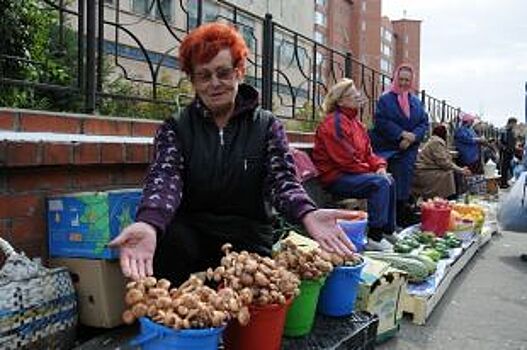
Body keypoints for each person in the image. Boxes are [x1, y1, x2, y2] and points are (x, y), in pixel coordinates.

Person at [108, 23, 358, 285]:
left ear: (239, 72)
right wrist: (149, 222)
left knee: (252, 299)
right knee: (170, 240)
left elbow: (282, 181)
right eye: (203, 76)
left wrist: (307, 212)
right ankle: (169, 318)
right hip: (193, 231)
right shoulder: (177, 128)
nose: (215, 84)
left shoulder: (267, 126)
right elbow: (165, 178)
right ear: (193, 81)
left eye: (223, 73)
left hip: (247, 234)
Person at [312, 78, 397, 251]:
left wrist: (380, 167)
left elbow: (369, 154)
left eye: (357, 92)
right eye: (353, 94)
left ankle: (387, 230)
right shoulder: (333, 123)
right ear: (341, 100)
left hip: (351, 173)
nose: (358, 96)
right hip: (335, 177)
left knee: (388, 179)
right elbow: (345, 160)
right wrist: (373, 172)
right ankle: (375, 236)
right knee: (380, 183)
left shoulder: (357, 124)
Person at [369, 63, 429, 227]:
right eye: (400, 79)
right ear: (395, 79)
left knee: (407, 173)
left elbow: (424, 124)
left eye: (407, 80)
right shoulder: (385, 99)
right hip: (387, 147)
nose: (403, 83)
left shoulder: (416, 102)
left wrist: (411, 138)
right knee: (397, 171)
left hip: (408, 148)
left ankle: (402, 212)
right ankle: (394, 216)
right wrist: (401, 134)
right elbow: (381, 122)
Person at [412, 124, 471, 200]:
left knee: (452, 172)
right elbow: (444, 163)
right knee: (449, 174)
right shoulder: (436, 143)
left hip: (427, 169)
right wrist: (460, 170)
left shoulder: (434, 141)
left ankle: (450, 198)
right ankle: (449, 198)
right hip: (424, 171)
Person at [498, 117, 517, 188]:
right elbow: (499, 142)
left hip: (510, 152)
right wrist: (504, 148)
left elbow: (513, 142)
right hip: (504, 153)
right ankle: (502, 183)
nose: (515, 125)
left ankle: (505, 182)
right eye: (514, 123)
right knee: (504, 168)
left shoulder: (512, 131)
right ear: (511, 123)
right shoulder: (503, 131)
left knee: (508, 167)